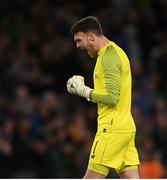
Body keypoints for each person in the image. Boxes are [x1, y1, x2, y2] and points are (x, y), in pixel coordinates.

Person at [67, 16, 140, 179]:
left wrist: (83, 90)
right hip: (125, 126)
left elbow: (112, 98)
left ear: (91, 36)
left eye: (79, 40)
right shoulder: (114, 53)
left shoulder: (109, 57)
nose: (77, 45)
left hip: (112, 129)